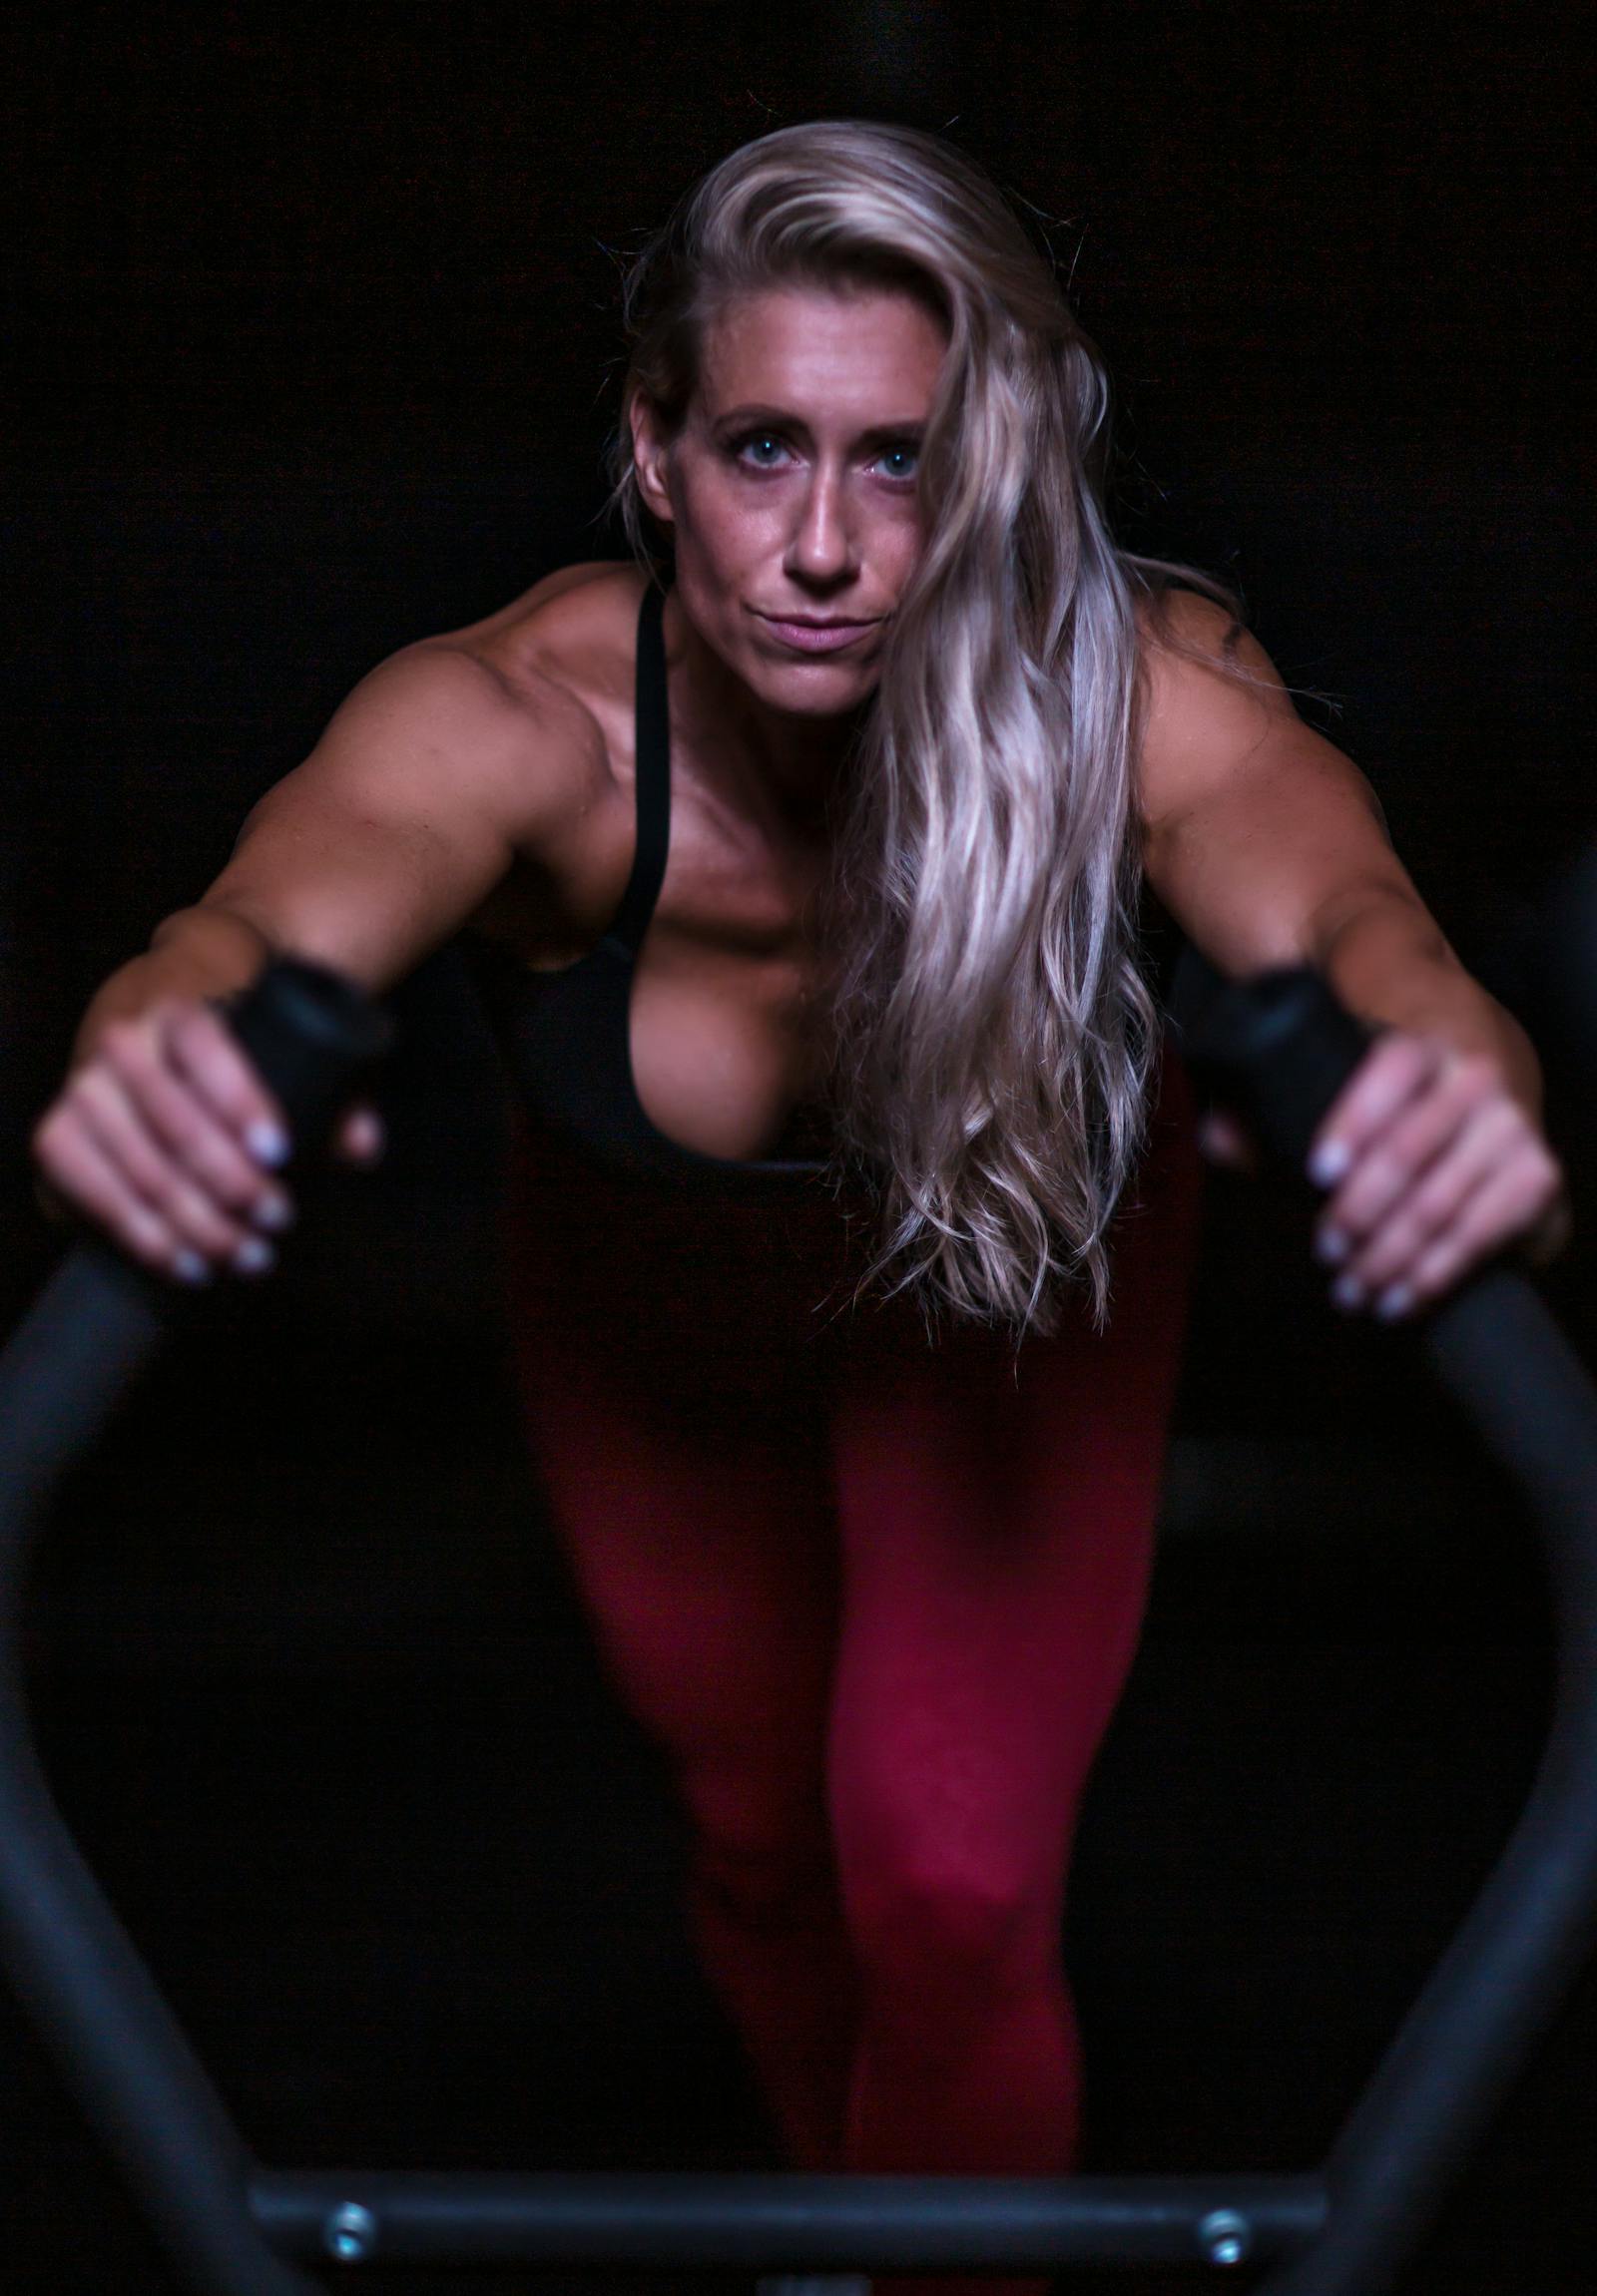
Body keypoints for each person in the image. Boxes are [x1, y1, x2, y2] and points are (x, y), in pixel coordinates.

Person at [30, 121, 1565, 2296]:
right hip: (649, 1306)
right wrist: (161, 1051)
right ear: (654, 454)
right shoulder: (518, 725)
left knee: (944, 1875)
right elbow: (247, 933)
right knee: (763, 1855)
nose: (825, 547)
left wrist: (1450, 1070)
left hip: (1011, 1295)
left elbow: (1357, 927)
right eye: (762, 449)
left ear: (988, 469)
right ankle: (852, 2237)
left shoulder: (1135, 690)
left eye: (898, 461)